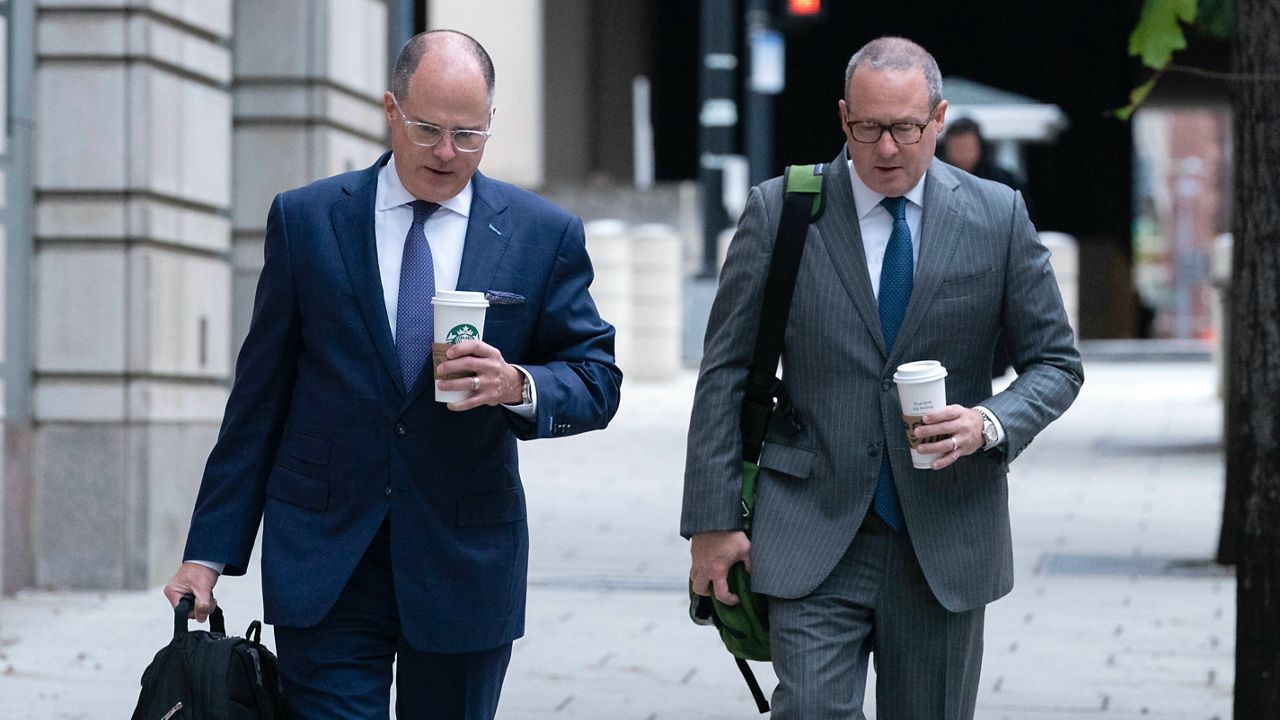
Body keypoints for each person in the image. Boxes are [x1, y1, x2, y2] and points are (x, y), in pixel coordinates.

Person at [163, 30, 621, 720]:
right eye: (428, 129)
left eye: (468, 135)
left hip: (463, 560)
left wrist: (518, 386)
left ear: (490, 124)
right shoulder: (308, 220)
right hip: (327, 557)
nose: (446, 153)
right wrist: (208, 553)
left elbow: (597, 378)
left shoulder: (540, 234)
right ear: (389, 110)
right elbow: (260, 399)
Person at [682, 37, 1082, 719]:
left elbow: (1056, 363)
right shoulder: (784, 212)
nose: (887, 149)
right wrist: (711, 523)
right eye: (868, 128)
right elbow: (723, 371)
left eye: (905, 128)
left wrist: (989, 423)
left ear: (939, 120)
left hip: (946, 536)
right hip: (812, 525)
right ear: (844, 119)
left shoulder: (996, 217)